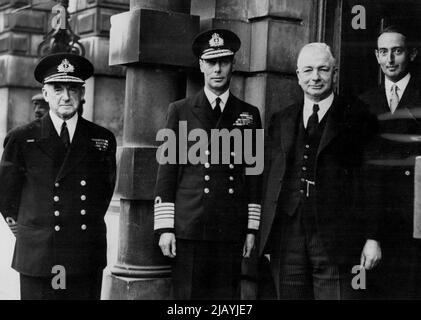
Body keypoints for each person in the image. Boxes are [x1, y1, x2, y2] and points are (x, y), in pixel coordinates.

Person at [258, 42, 381, 299]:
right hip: (287, 235)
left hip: (336, 235)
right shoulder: (281, 120)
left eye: (323, 70)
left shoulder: (357, 117)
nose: (316, 77)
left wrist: (372, 237)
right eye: (309, 70)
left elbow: (371, 182)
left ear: (334, 74)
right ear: (298, 76)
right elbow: (268, 178)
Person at [154, 29, 262, 299]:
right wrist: (166, 228)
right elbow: (167, 173)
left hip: (229, 228)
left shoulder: (249, 114)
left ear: (232, 64)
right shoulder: (180, 110)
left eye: (223, 61)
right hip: (189, 227)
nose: (217, 69)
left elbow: (254, 175)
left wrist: (251, 229)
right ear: (201, 65)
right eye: (211, 62)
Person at [0, 53, 117, 300]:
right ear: (45, 93)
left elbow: (103, 194)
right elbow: (7, 193)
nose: (66, 96)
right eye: (58, 88)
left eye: (73, 89)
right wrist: (30, 231)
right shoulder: (22, 139)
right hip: (39, 253)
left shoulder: (102, 139)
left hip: (84, 251)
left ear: (83, 93)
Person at [359, 25, 421, 299]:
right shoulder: (363, 103)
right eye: (384, 52)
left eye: (397, 51)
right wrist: (370, 233)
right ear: (376, 56)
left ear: (412, 54)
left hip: (415, 218)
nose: (390, 59)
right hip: (377, 219)